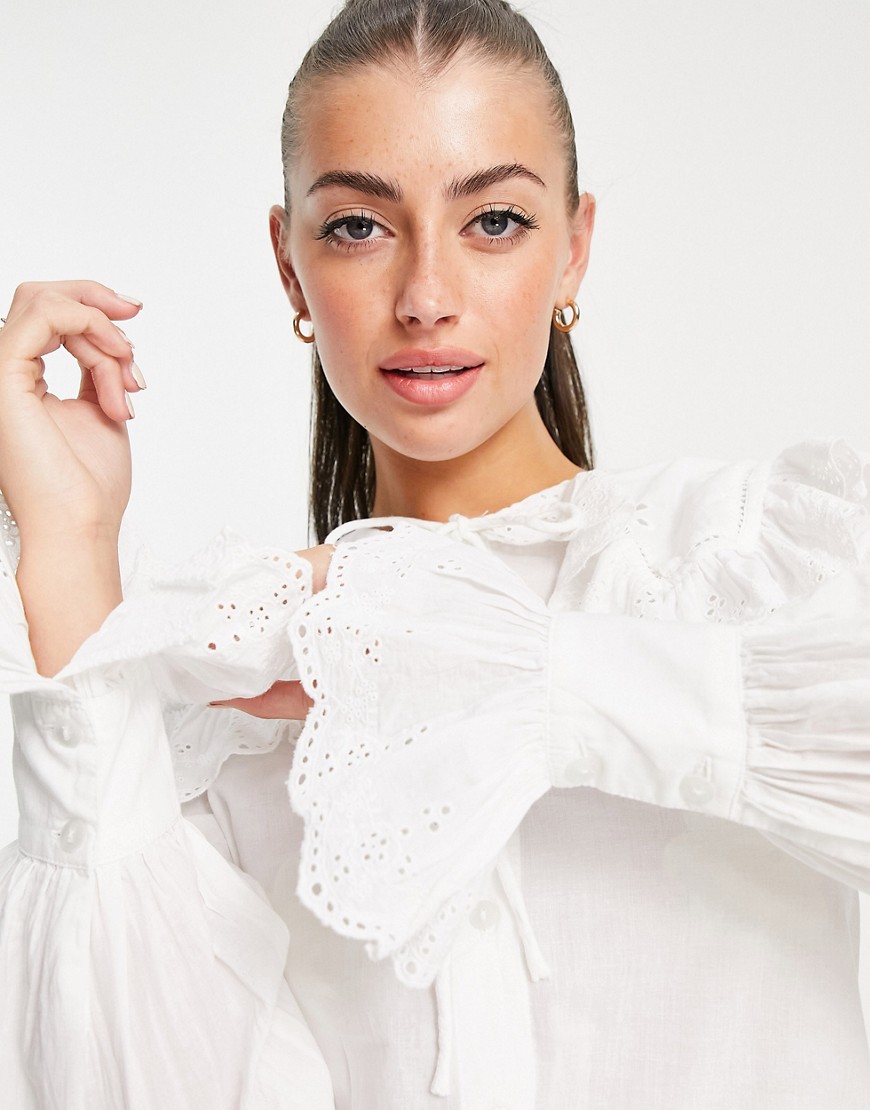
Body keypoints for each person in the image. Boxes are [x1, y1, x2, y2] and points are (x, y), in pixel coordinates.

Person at [0, 0, 868, 1107]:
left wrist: (481, 666)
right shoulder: (245, 691)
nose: (425, 298)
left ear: (575, 247)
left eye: (493, 220)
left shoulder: (764, 557)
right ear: (289, 267)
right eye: (358, 227)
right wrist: (70, 546)